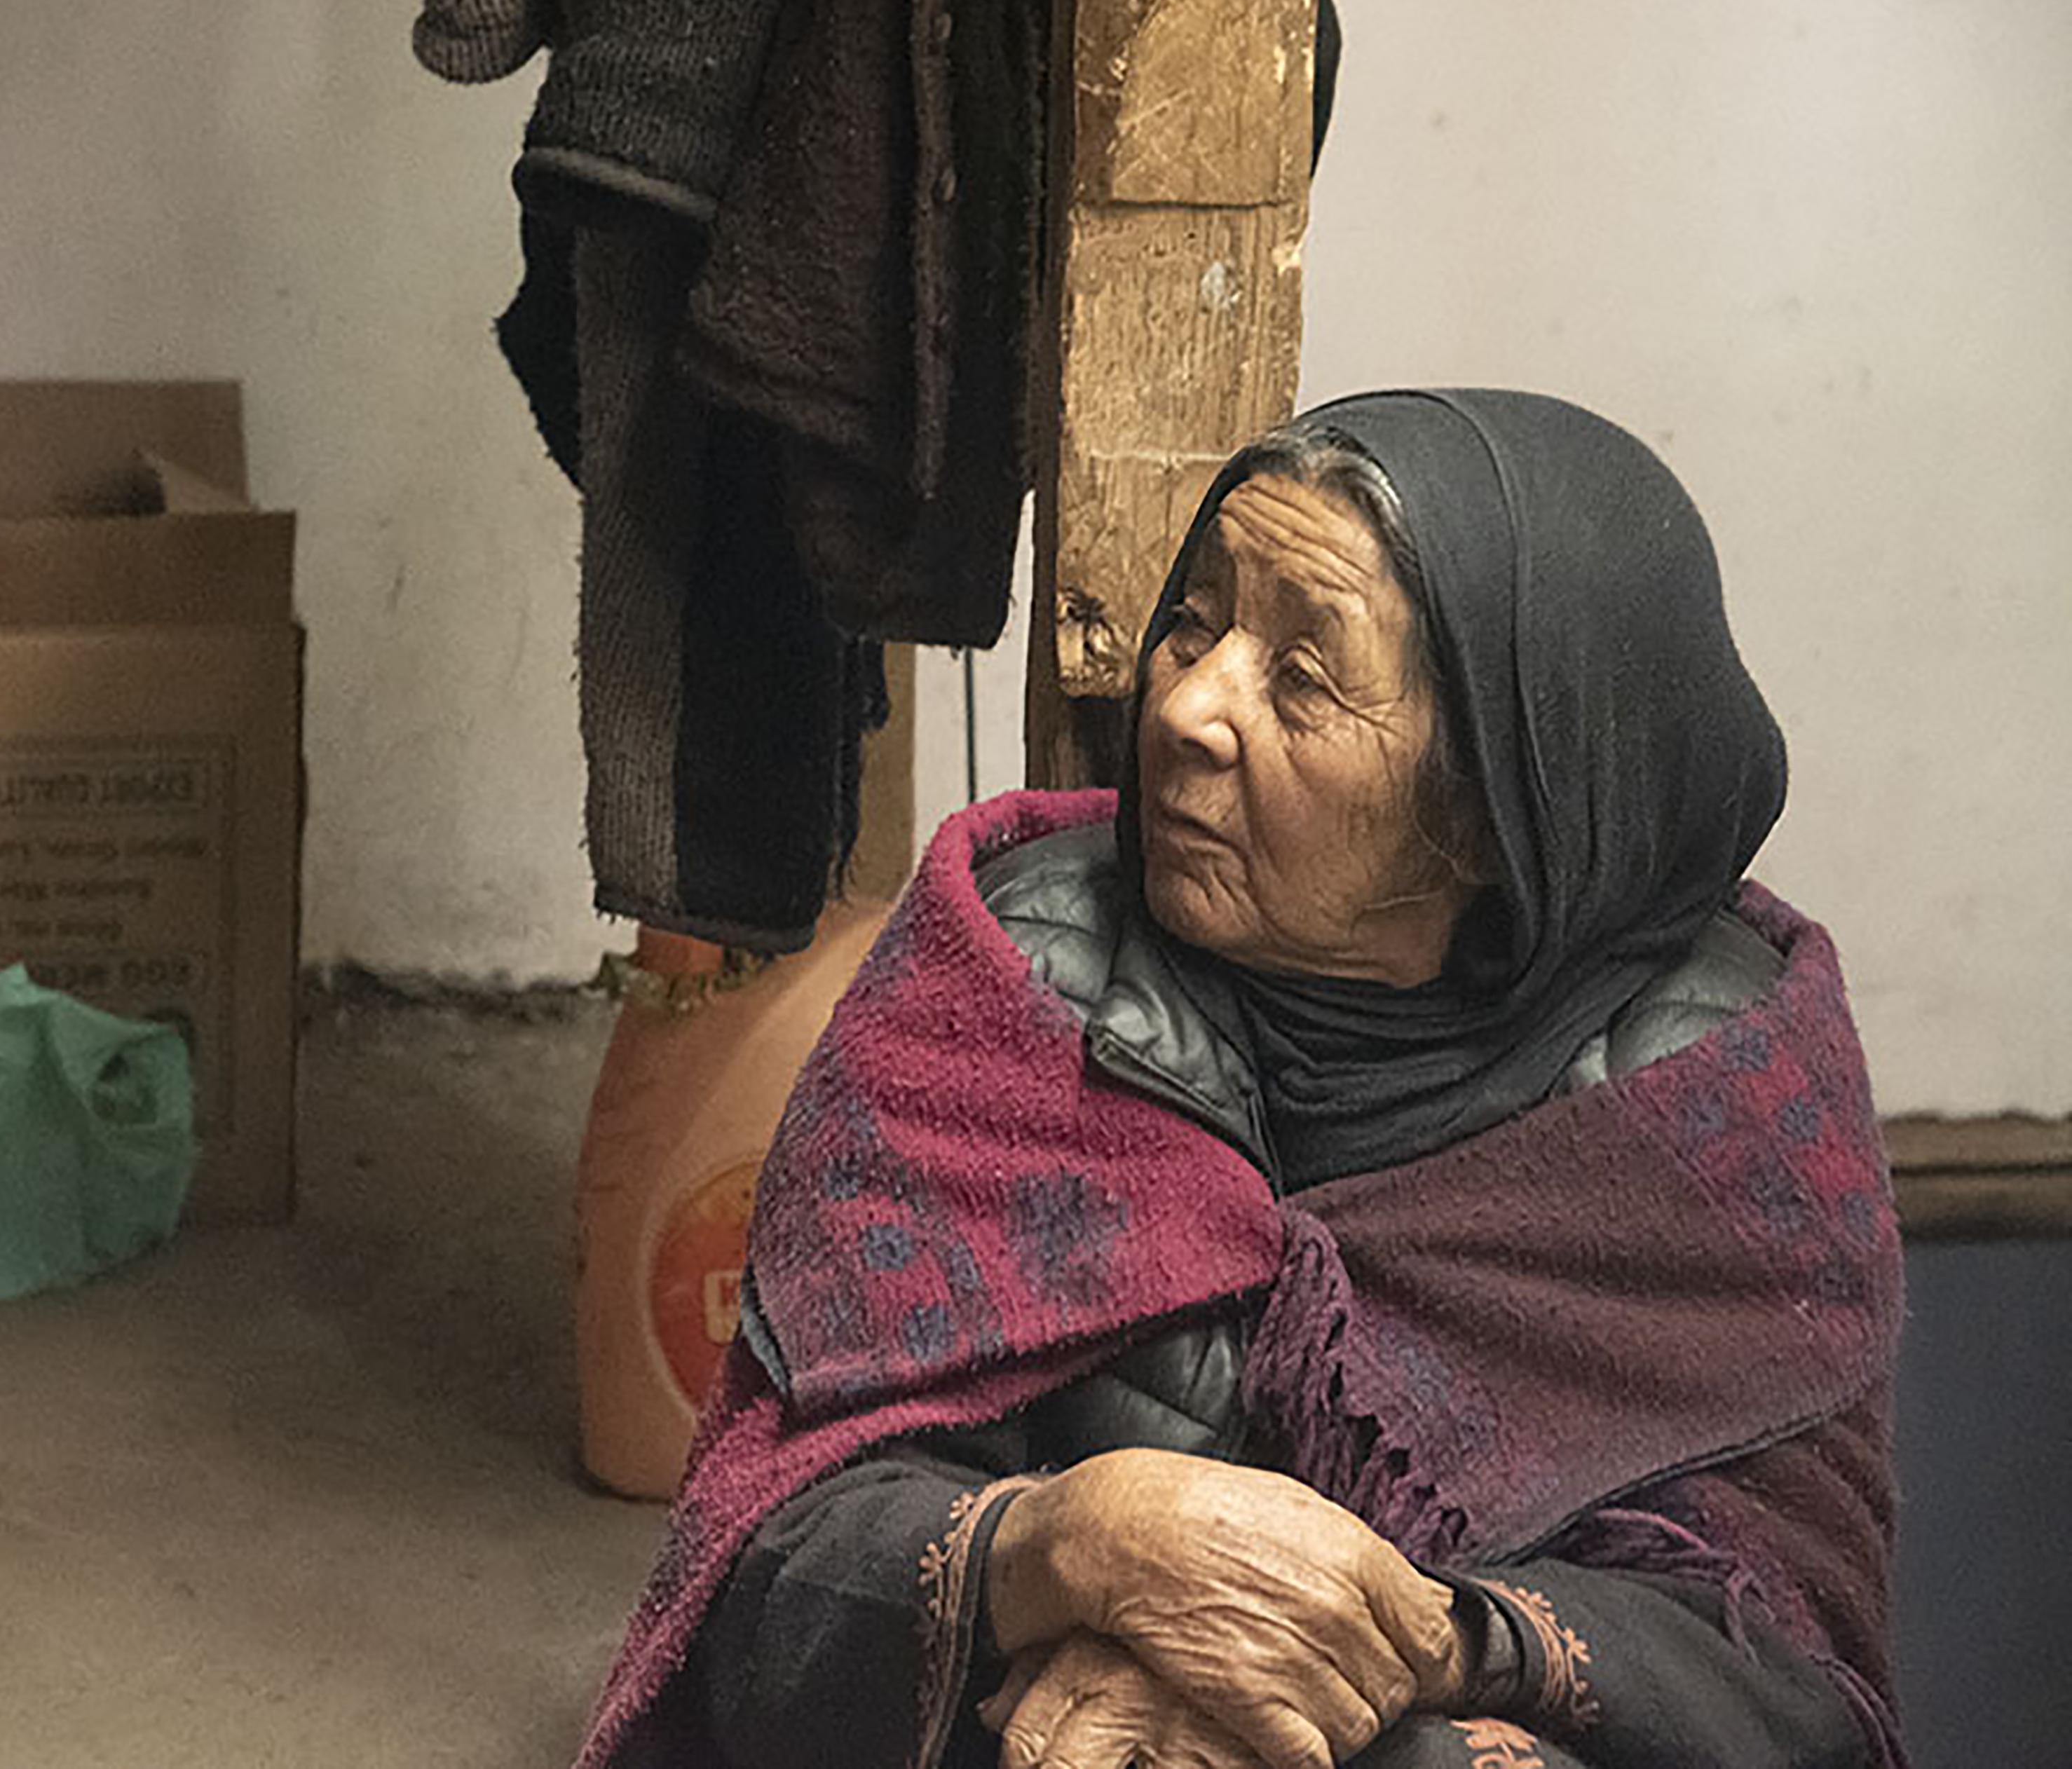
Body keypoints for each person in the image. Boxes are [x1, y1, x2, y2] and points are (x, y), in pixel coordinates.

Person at [574, 389, 1902, 1769]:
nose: (1189, 703)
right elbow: (760, 1588)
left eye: (1304, 679)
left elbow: (1787, 1693)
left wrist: (1413, 1653)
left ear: (1511, 798)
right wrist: (1068, 1544)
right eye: (1196, 625)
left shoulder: (1714, 1097)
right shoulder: (1016, 975)